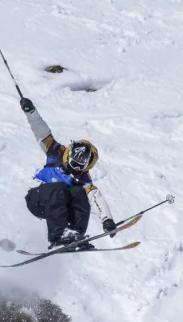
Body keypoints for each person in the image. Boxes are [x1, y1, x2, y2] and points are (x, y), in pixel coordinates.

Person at [20, 97, 117, 250]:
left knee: (80, 192)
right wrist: (31, 111)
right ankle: (58, 236)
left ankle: (75, 236)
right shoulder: (55, 152)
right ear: (68, 155)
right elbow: (41, 131)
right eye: (73, 163)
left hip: (58, 209)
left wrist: (107, 220)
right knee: (59, 188)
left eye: (79, 166)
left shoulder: (82, 177)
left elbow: (95, 197)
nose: (74, 168)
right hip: (37, 198)